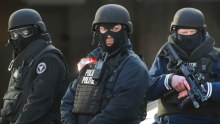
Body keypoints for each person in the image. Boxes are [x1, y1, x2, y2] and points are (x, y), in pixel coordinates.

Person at [60, 4, 149, 124]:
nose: (108, 34)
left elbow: (120, 110)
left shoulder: (133, 66)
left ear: (126, 30)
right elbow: (68, 100)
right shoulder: (92, 61)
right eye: (103, 29)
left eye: (115, 29)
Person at [149, 7, 220, 124]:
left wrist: (205, 89)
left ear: (201, 32)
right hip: (169, 119)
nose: (188, 36)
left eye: (192, 32)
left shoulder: (216, 56)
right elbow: (146, 89)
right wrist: (168, 80)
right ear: (175, 32)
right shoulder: (165, 56)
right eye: (183, 33)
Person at [0, 9, 68, 124]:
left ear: (37, 30)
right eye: (15, 34)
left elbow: (37, 104)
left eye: (26, 32)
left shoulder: (49, 59)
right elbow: (10, 107)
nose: (20, 38)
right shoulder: (20, 62)